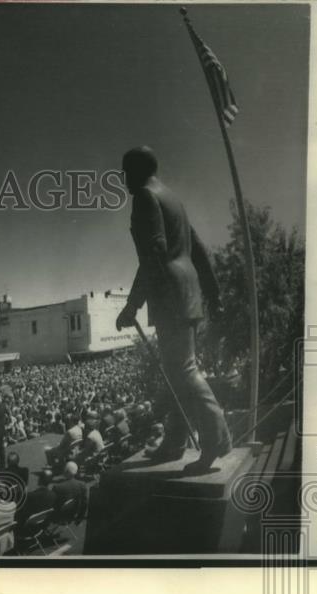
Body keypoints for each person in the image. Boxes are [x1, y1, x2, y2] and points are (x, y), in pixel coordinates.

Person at [115, 146, 232, 473]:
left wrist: (132, 304)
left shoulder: (144, 197)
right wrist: (213, 292)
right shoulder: (173, 200)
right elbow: (199, 250)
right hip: (188, 292)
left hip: (170, 294)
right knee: (175, 374)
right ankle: (174, 443)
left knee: (182, 370)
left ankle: (216, 439)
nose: (123, 179)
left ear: (136, 171)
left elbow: (152, 255)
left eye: (125, 172)